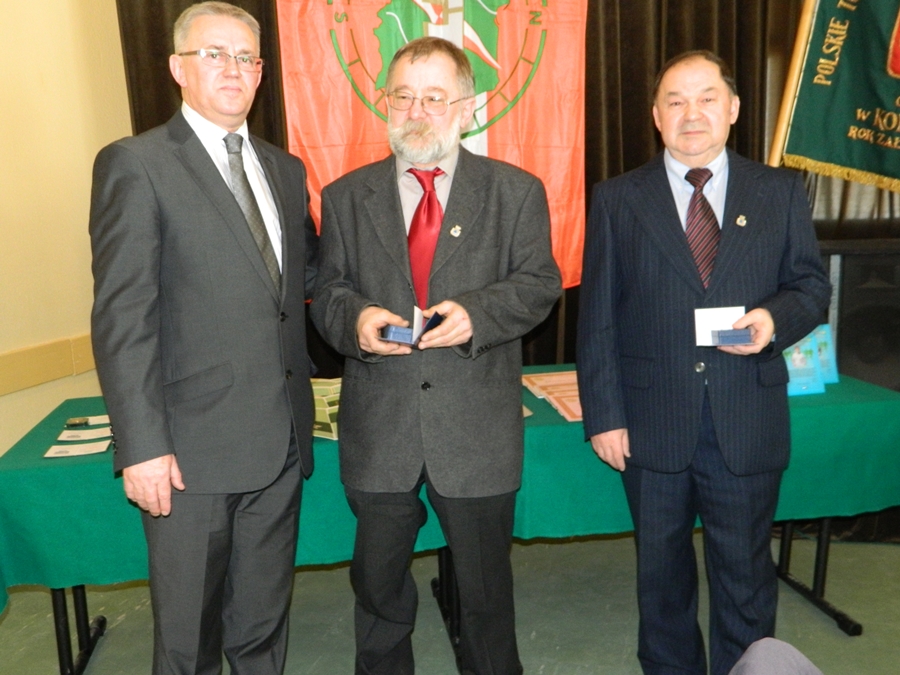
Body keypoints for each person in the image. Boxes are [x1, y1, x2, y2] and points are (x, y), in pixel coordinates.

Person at [310, 36, 561, 675]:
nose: (417, 111)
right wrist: (356, 321)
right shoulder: (344, 196)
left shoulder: (515, 192)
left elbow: (539, 284)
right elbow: (327, 290)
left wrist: (478, 314)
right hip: (381, 428)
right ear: (385, 102)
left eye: (434, 97)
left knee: (485, 598)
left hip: (476, 432)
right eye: (403, 96)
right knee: (378, 594)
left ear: (468, 107)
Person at [576, 50, 831, 675]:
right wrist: (604, 415)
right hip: (650, 423)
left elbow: (811, 288)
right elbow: (597, 317)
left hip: (746, 416)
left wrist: (772, 320)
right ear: (656, 116)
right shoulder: (617, 199)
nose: (692, 113)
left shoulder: (778, 191)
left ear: (734, 108)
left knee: (745, 578)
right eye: (676, 101)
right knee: (661, 583)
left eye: (707, 98)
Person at [89, 3, 317, 673]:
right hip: (189, 456)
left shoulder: (285, 170)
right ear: (177, 68)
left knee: (261, 631)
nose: (233, 69)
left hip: (280, 445)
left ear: (262, 73)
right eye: (214, 54)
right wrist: (142, 445)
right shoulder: (136, 164)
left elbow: (301, 287)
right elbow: (123, 316)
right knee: (187, 644)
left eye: (246, 57)